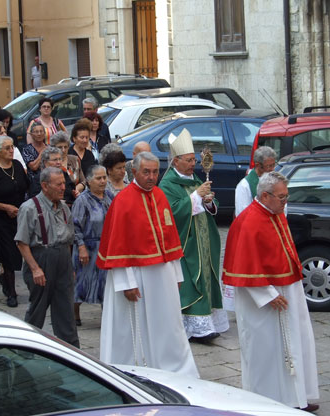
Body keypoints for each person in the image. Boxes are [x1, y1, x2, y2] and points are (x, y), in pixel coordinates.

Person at [223, 171, 320, 411]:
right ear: (265, 196)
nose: (285, 202)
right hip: (265, 300)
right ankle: (271, 401)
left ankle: (298, 396)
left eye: (286, 197)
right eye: (282, 197)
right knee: (267, 351)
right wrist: (267, 294)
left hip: (288, 291)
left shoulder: (275, 213)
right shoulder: (249, 221)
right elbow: (244, 264)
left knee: (297, 342)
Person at [97, 151, 198, 377]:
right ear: (134, 172)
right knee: (136, 327)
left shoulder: (160, 196)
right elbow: (118, 246)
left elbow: (170, 236)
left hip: (163, 276)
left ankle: (172, 369)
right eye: (146, 172)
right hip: (136, 277)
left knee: (167, 325)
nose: (152, 177)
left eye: (155, 172)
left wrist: (177, 275)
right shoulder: (122, 201)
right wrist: (126, 283)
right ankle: (136, 369)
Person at [159, 129, 227, 342]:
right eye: (188, 160)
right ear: (176, 161)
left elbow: (211, 206)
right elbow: (171, 212)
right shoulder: (167, 184)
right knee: (190, 282)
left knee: (207, 279)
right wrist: (197, 196)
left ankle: (207, 323)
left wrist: (208, 202)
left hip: (203, 241)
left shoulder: (194, 178)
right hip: (185, 243)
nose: (193, 164)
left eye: (194, 160)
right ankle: (195, 328)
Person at [16, 166, 79, 346]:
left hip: (62, 259)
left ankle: (72, 351)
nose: (62, 188)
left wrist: (69, 267)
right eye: (58, 184)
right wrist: (35, 269)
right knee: (38, 308)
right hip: (41, 258)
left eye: (63, 184)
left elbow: (68, 240)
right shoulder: (29, 208)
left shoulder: (65, 209)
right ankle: (26, 347)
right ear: (44, 186)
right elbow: (22, 242)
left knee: (65, 309)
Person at [0, 136, 30, 307]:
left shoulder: (16, 166)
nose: (11, 150)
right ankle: (11, 293)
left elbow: (27, 187)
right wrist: (5, 207)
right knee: (8, 256)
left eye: (12, 147)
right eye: (7, 148)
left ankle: (12, 282)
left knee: (23, 252)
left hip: (20, 216)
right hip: (1, 219)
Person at [72, 165, 114, 325]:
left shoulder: (109, 196)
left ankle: (107, 316)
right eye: (98, 178)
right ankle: (74, 313)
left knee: (106, 283)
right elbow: (75, 226)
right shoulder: (82, 200)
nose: (103, 181)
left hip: (105, 248)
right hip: (87, 247)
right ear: (89, 181)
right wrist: (81, 247)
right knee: (82, 282)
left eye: (104, 177)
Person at [234, 145, 277, 217]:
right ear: (257, 165)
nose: (272, 169)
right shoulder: (244, 185)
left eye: (274, 165)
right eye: (269, 166)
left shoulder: (275, 180)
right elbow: (242, 214)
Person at [51, 130, 84, 197]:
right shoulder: (52, 163)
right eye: (60, 147)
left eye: (65, 147)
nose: (63, 150)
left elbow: (83, 181)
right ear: (54, 148)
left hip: (78, 197)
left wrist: (76, 190)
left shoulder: (75, 159)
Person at [22, 121, 48, 188]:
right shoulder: (27, 149)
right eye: (36, 132)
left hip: (48, 181)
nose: (39, 134)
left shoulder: (50, 148)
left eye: (41, 131)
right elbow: (34, 167)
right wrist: (43, 152)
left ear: (44, 133)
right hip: (34, 183)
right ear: (31, 134)